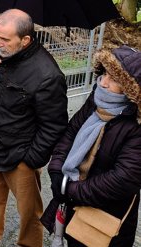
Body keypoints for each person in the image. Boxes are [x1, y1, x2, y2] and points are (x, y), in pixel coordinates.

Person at [0, 9, 68, 247]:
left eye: (5, 39)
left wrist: (31, 159)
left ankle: (29, 245)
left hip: (21, 154)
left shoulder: (47, 75)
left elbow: (54, 125)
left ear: (26, 40)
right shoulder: (5, 53)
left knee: (29, 210)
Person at [41, 45, 141, 247]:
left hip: (105, 214)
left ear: (132, 89)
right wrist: (56, 171)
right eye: (104, 73)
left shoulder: (135, 125)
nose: (103, 82)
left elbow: (124, 178)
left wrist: (72, 190)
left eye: (114, 79)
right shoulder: (96, 99)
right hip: (73, 200)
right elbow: (71, 132)